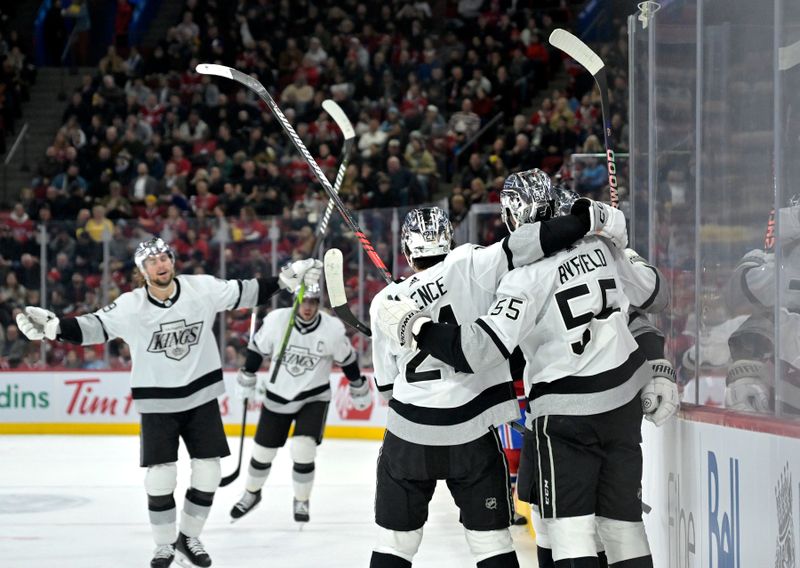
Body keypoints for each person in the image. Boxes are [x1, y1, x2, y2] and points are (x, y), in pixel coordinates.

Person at [377, 171, 670, 568]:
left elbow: (467, 354)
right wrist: (609, 229)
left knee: (567, 531)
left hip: (562, 414)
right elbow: (652, 295)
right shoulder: (597, 248)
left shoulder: (517, 280)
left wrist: (416, 324)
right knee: (622, 527)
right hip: (619, 402)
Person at [15, 237, 321, 568]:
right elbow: (94, 327)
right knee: (160, 477)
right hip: (157, 402)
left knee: (208, 472)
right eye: (151, 262)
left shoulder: (200, 289)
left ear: (172, 261)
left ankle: (189, 538)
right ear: (142, 271)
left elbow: (244, 291)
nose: (160, 265)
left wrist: (284, 279)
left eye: (164, 258)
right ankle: (164, 546)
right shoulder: (131, 305)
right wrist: (54, 329)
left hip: (200, 398)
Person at [229, 281, 371, 524]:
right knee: (263, 452)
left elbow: (347, 361)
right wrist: (247, 374)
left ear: (319, 303)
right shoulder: (277, 320)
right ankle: (252, 494)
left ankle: (302, 499)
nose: (308, 307)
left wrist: (358, 386)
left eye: (313, 302)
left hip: (312, 396)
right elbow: (257, 350)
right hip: (277, 394)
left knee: (303, 449)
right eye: (303, 301)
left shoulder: (332, 328)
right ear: (295, 301)